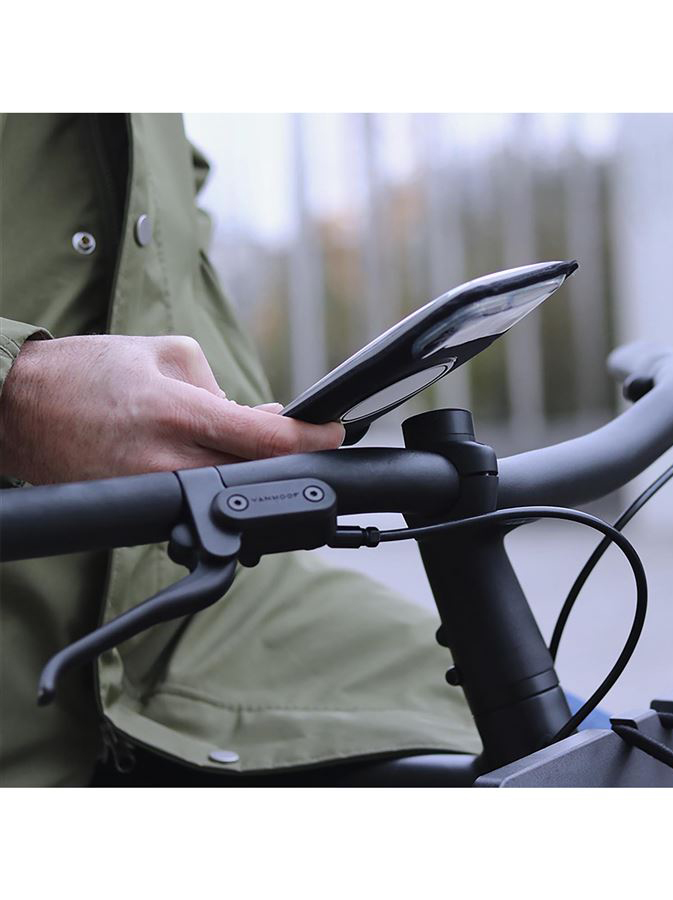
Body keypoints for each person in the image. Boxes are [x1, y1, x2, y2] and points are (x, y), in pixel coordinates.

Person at [0, 113, 481, 786]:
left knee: (579, 738)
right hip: (23, 672)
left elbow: (159, 218)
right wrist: (14, 393)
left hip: (215, 614)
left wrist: (232, 411)